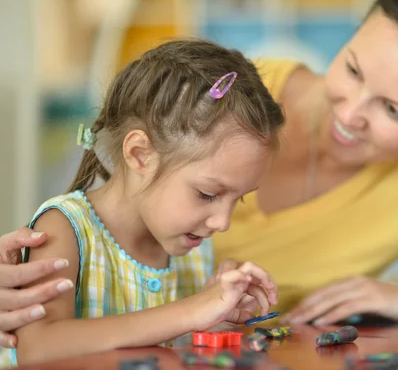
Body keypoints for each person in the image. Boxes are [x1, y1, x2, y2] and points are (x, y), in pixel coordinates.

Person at [3, 0, 398, 346]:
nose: (350, 113)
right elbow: (90, 203)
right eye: (353, 68)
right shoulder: (225, 92)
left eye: (394, 111)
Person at [1, 38, 283, 367]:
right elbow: (37, 348)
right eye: (208, 194)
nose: (223, 222)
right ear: (140, 154)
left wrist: (219, 312)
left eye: (239, 198)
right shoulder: (64, 228)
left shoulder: (193, 251)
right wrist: (192, 310)